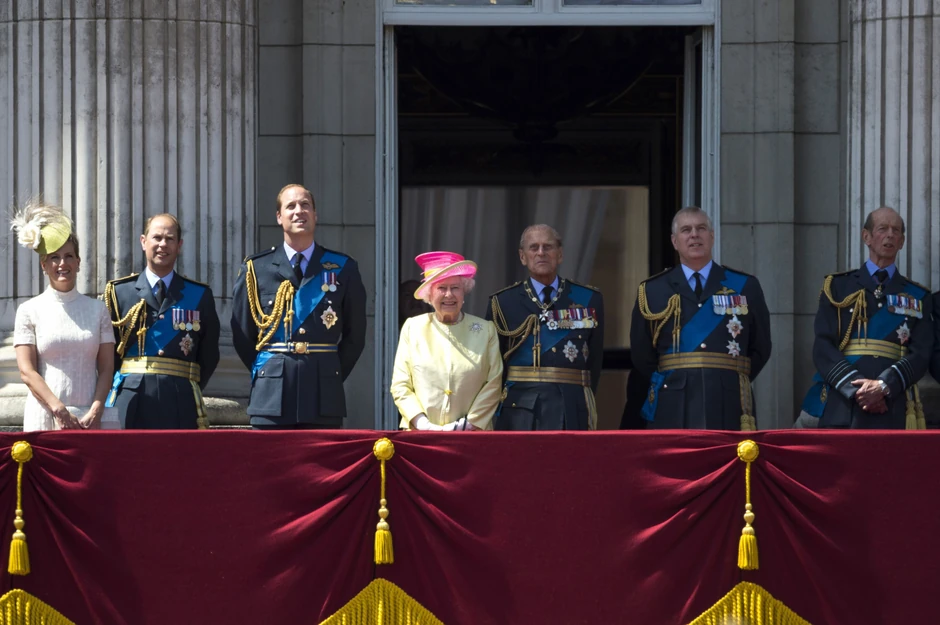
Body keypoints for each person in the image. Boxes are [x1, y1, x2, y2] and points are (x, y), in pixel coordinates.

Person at [231, 183, 366, 429]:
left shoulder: (343, 268)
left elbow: (355, 336)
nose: (298, 211)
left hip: (323, 394)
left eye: (305, 205)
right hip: (271, 395)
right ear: (279, 217)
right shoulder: (256, 269)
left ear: (315, 214)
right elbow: (242, 334)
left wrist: (330, 374)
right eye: (290, 206)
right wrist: (267, 372)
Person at [630, 206, 772, 430]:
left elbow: (761, 346)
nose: (694, 235)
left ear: (712, 237)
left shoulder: (745, 286)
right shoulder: (652, 290)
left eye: (701, 228)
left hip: (728, 399)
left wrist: (727, 379)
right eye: (686, 230)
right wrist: (672, 381)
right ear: (675, 241)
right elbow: (641, 353)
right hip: (672, 400)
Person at [803, 206, 933, 429]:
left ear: (902, 242)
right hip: (843, 404)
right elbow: (823, 346)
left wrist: (883, 386)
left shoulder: (918, 296)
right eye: (883, 229)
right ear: (867, 237)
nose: (890, 235)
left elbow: (921, 353)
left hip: (893, 405)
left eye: (896, 231)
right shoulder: (838, 287)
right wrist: (856, 390)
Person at [104, 214, 221, 429]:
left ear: (179, 245)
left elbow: (209, 354)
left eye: (170, 239)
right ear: (143, 241)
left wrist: (186, 385)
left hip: (180, 397)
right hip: (130, 397)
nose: (163, 244)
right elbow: (107, 353)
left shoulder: (199, 294)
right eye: (157, 237)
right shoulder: (119, 292)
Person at [485, 224, 604, 430]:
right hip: (520, 411)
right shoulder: (503, 302)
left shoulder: (588, 298)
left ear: (560, 254)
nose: (541, 253)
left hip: (571, 406)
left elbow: (594, 361)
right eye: (534, 247)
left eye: (548, 247)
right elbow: (494, 366)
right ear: (523, 256)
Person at [12, 201, 117, 430]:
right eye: (54, 257)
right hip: (45, 417)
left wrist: (97, 409)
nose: (62, 263)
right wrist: (58, 409)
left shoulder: (98, 309)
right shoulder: (29, 310)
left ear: (78, 263)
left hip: (89, 418)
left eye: (69, 256)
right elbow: (27, 371)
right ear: (44, 265)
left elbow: (107, 368)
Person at [391, 252, 502, 431]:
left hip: (472, 435)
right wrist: (423, 424)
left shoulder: (485, 330)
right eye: (441, 288)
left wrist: (467, 425)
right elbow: (400, 385)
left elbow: (494, 383)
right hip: (420, 435)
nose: (449, 295)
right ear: (429, 294)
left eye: (455, 288)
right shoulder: (413, 328)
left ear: (464, 291)